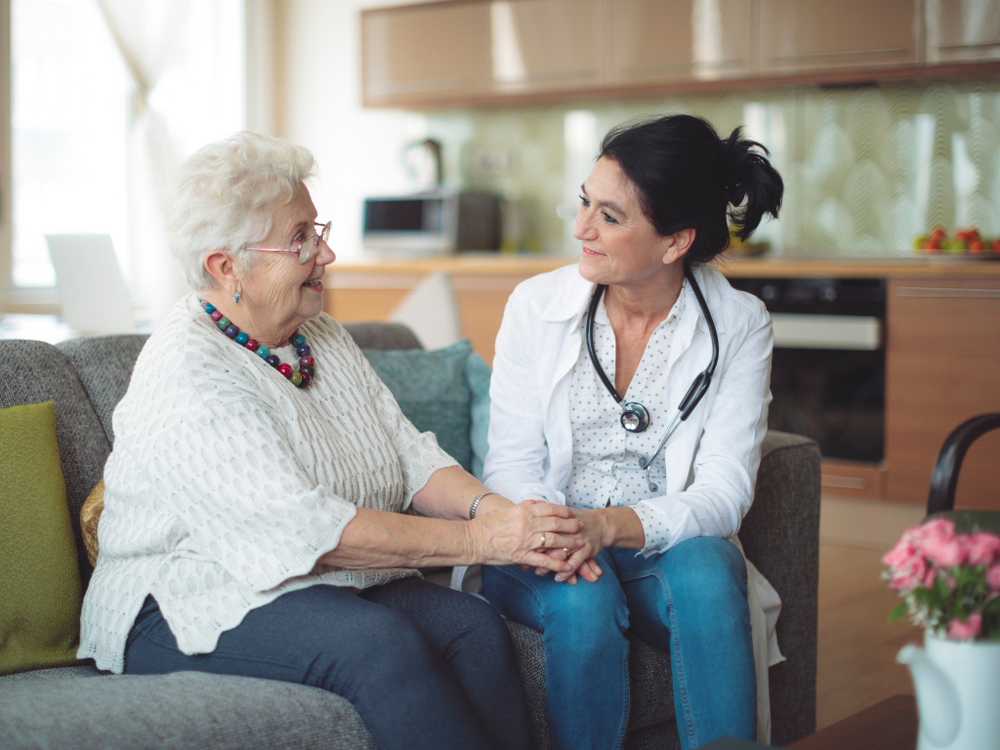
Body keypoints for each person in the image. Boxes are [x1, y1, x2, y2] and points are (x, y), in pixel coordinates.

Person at [77, 132, 586, 750]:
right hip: (186, 594)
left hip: (303, 583)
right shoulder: (189, 372)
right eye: (301, 239)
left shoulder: (319, 333)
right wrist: (484, 541)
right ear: (225, 265)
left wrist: (511, 517)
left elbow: (408, 452)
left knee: (473, 626)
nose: (326, 253)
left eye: (317, 229)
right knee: (378, 646)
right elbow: (306, 532)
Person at [480, 114, 785, 750]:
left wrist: (609, 527)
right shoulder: (536, 307)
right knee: (584, 601)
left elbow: (727, 489)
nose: (580, 228)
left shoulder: (739, 322)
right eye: (586, 200)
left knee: (710, 565)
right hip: (544, 537)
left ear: (676, 243)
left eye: (609, 217)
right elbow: (508, 465)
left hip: (651, 542)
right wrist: (562, 532)